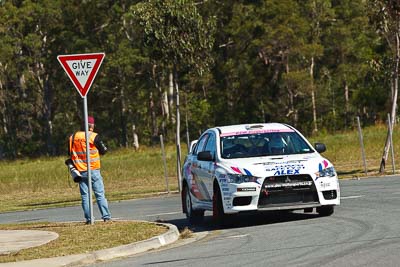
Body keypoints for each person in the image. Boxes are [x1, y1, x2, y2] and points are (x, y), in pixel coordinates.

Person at [68, 116, 111, 224]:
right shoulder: (93, 136)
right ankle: (106, 217)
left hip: (80, 171)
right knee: (100, 194)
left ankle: (89, 219)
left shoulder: (72, 137)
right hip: (93, 170)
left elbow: (69, 153)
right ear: (91, 126)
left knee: (85, 196)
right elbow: (104, 150)